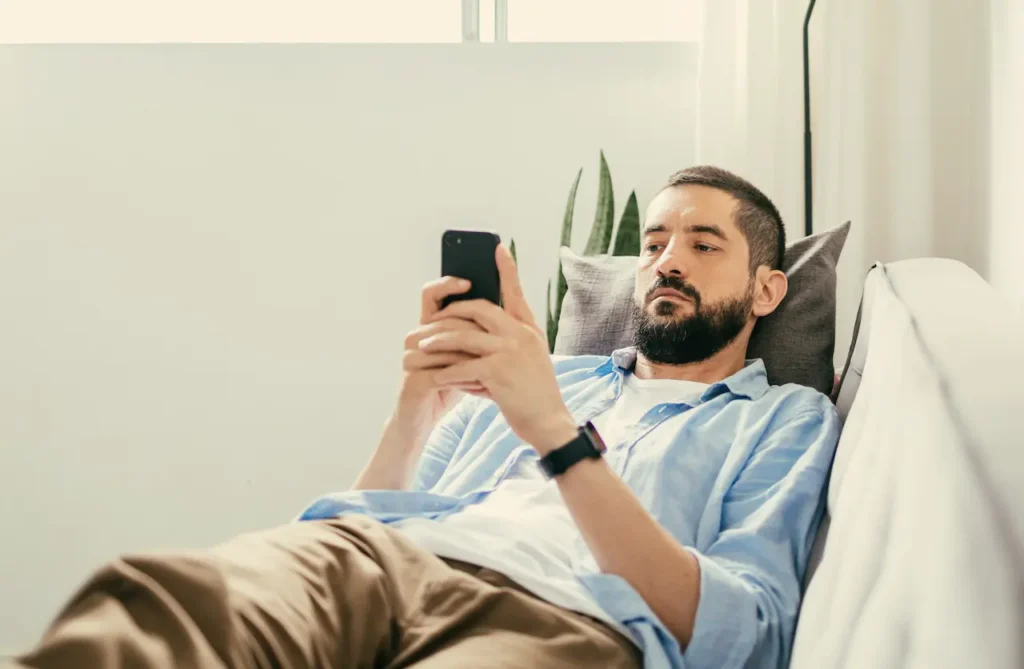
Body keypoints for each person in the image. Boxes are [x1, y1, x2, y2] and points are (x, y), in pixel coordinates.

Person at [11, 166, 840, 669]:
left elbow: (745, 633)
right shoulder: (545, 376)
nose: (666, 259)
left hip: (563, 618)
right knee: (169, 601)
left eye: (702, 244)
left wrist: (554, 431)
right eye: (654, 241)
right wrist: (416, 408)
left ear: (768, 288)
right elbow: (368, 512)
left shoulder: (783, 420)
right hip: (379, 564)